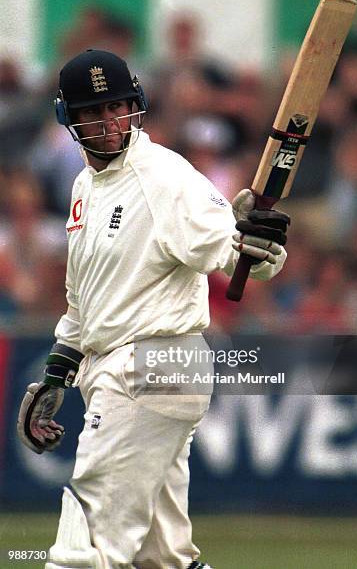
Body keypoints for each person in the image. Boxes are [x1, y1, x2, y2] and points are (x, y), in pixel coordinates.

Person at [17, 49, 290, 569]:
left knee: (83, 549)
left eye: (117, 107)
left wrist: (259, 245)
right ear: (68, 120)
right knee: (161, 559)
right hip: (125, 368)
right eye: (93, 113)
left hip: (153, 365)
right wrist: (58, 373)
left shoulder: (163, 175)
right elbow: (85, 297)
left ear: (135, 105)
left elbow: (237, 254)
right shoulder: (84, 186)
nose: (109, 123)